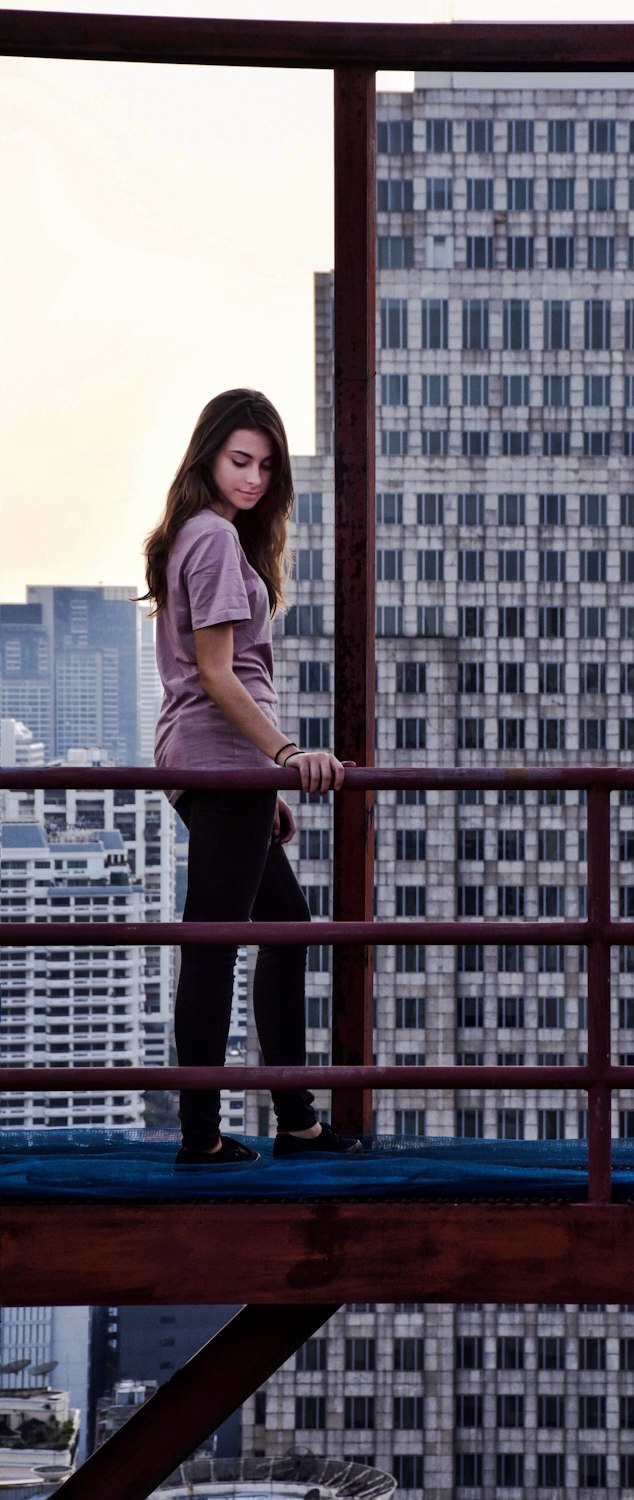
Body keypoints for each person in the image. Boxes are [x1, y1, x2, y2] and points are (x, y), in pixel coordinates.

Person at [142, 389, 359, 1165]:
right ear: (206, 458)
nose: (255, 478)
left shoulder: (208, 537)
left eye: (267, 466)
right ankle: (203, 1138)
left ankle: (295, 1120)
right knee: (215, 945)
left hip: (225, 766)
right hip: (223, 757)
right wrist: (282, 757)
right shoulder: (211, 540)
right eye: (240, 461)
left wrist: (259, 788)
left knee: (284, 926)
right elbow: (217, 672)